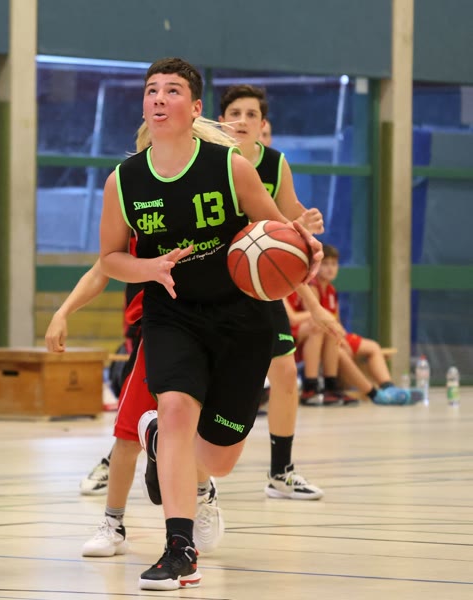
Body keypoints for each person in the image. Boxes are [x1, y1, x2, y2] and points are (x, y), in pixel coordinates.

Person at [98, 58, 320, 590]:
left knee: (217, 461)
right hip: (172, 312)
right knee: (175, 409)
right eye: (152, 90)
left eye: (172, 90)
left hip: (242, 316)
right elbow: (109, 258)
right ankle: (179, 548)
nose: (158, 98)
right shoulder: (124, 181)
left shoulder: (230, 167)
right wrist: (149, 268)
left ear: (195, 108)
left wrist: (304, 248)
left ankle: (163, 444)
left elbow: (277, 232)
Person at [218, 84, 332, 500]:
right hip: (215, 283)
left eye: (251, 114)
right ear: (220, 121)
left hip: (261, 286)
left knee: (285, 374)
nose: (242, 120)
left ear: (262, 124)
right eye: (235, 113)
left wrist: (307, 222)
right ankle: (180, 466)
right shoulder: (210, 161)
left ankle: (280, 472)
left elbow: (289, 219)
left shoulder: (274, 163)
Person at [288, 244, 409, 405]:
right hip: (305, 337)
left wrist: (342, 337)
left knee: (372, 346)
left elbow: (335, 320)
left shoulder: (331, 290)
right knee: (327, 332)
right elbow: (306, 318)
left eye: (334, 264)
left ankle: (388, 387)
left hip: (325, 336)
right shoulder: (311, 287)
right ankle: (371, 393)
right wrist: (336, 331)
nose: (330, 268)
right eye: (325, 264)